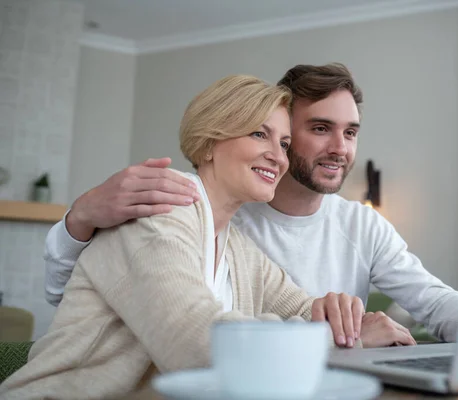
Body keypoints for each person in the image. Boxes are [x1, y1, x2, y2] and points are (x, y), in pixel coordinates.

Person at [45, 63, 458, 345]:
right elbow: (80, 294)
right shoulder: (182, 208)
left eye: (351, 133)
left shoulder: (238, 242)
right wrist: (79, 219)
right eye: (320, 128)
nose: (340, 148)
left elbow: (431, 301)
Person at [0, 75, 366, 400]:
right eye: (259, 133)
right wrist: (331, 336)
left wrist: (348, 320)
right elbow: (196, 343)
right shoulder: (159, 212)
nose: (277, 157)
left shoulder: (237, 247)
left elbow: (303, 307)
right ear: (208, 143)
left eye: (284, 144)